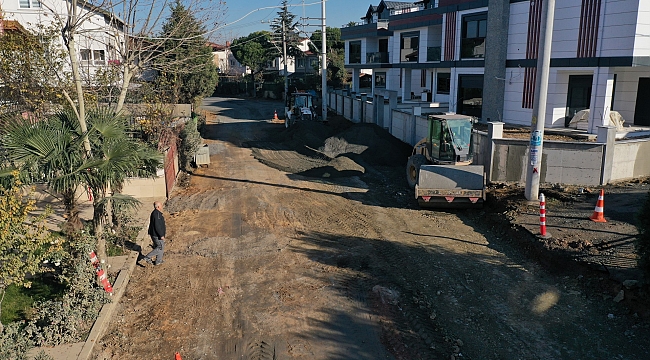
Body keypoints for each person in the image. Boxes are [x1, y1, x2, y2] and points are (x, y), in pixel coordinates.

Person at [143, 201, 166, 266]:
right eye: (161, 205)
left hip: (154, 234)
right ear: (158, 207)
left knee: (161, 246)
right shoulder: (157, 214)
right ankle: (147, 257)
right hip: (157, 235)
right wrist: (161, 235)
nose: (162, 206)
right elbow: (157, 226)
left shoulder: (155, 213)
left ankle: (158, 261)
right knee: (160, 247)